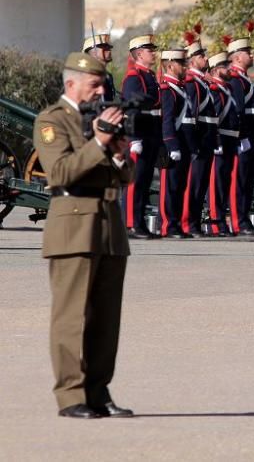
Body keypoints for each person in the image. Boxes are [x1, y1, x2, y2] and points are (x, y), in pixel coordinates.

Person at [34, 52, 134, 418]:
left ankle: (98, 391)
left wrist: (121, 155)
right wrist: (99, 143)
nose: (100, 91)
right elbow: (60, 172)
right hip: (73, 226)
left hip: (108, 225)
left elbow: (124, 178)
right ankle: (71, 395)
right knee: (71, 316)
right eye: (94, 85)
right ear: (71, 84)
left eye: (103, 84)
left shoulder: (102, 120)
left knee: (106, 320)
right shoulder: (52, 121)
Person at [120, 35, 160, 239]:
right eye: (149, 50)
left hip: (151, 132)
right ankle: (130, 224)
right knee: (135, 181)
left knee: (144, 183)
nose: (153, 53)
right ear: (138, 54)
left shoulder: (149, 75)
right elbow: (131, 108)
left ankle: (139, 222)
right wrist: (134, 138)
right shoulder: (134, 77)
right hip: (140, 134)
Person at [227, 36, 254, 236]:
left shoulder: (243, 79)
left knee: (248, 181)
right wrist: (241, 137)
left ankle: (244, 217)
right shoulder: (235, 79)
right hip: (244, 138)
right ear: (238, 57)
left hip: (252, 138)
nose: (251, 55)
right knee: (239, 182)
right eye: (248, 52)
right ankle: (238, 220)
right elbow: (237, 111)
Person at [182, 38, 218, 236]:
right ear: (191, 61)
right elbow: (192, 115)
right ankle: (189, 223)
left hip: (207, 139)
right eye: (201, 56)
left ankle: (194, 222)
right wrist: (193, 144)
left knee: (201, 184)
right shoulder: (192, 83)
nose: (205, 58)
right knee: (193, 185)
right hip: (199, 139)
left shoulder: (202, 82)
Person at [158, 48, 193, 238]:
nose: (185, 66)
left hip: (184, 144)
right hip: (174, 146)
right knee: (170, 187)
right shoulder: (167, 89)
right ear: (170, 65)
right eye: (181, 63)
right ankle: (168, 225)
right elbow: (168, 120)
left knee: (180, 186)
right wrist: (171, 145)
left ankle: (176, 223)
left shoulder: (181, 88)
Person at [206, 52, 237, 237]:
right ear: (216, 70)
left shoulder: (228, 89)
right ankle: (216, 223)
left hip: (230, 140)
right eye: (226, 66)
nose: (230, 69)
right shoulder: (215, 90)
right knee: (216, 184)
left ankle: (221, 221)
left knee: (224, 183)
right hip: (221, 140)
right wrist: (216, 141)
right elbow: (215, 118)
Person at [82, 33, 116, 101]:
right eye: (105, 48)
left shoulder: (108, 76)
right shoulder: (87, 76)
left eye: (109, 48)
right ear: (94, 53)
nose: (109, 51)